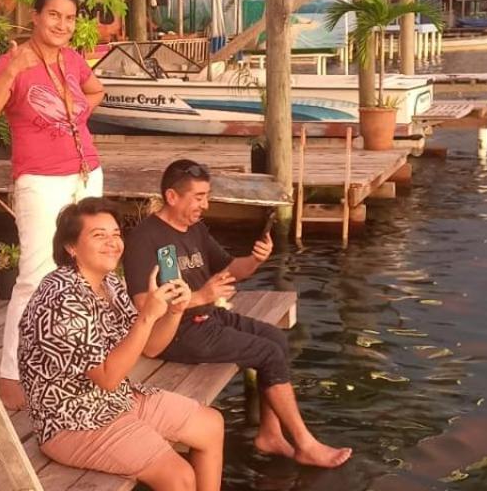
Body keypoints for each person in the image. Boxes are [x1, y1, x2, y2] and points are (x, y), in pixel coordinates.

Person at [20, 198, 262, 491]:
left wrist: (169, 311)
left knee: (210, 424)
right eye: (99, 235)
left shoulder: (105, 285)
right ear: (71, 247)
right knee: (177, 478)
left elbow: (149, 348)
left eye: (115, 233)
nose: (113, 242)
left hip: (111, 400)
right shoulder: (61, 298)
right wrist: (149, 314)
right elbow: (111, 375)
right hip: (72, 420)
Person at [123, 160, 353, 469]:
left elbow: (231, 269)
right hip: (173, 331)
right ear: (172, 196)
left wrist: (256, 260)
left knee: (274, 338)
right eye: (199, 196)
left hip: (206, 316)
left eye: (207, 196)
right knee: (267, 353)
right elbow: (143, 306)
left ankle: (270, 434)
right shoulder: (144, 238)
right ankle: (304, 443)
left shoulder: (195, 230)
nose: (205, 204)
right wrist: (202, 296)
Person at [0, 0, 105, 410]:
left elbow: (95, 91)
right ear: (35, 15)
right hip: (41, 180)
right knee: (35, 275)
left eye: (69, 18)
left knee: (87, 269)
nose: (62, 25)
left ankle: (76, 359)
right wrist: (12, 71)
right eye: (54, 16)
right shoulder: (13, 61)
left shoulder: (72, 59)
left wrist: (77, 117)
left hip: (86, 173)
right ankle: (11, 374)